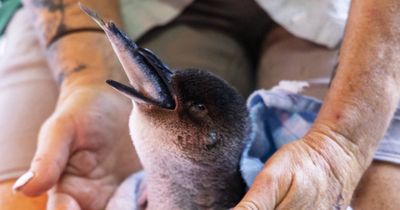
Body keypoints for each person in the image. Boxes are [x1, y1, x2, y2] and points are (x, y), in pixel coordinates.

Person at [0, 0, 399, 210]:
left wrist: (342, 143)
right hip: (132, 6)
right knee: (22, 201)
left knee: (378, 196)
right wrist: (85, 77)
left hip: (350, 18)